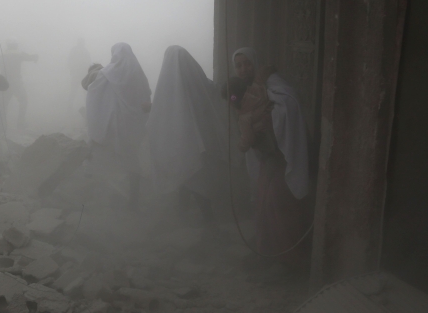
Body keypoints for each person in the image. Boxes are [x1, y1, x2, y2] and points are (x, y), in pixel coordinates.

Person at [230, 47, 309, 264]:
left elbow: (289, 105)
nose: (244, 69)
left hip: (283, 155)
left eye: (247, 63)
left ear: (255, 62)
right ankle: (266, 253)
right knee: (262, 202)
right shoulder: (243, 90)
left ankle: (288, 260)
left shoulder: (273, 83)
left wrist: (270, 118)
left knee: (278, 202)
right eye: (239, 65)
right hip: (267, 157)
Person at [146, 45, 227, 221]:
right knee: (196, 176)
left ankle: (192, 215)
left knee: (187, 174)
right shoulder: (197, 81)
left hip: (182, 142)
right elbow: (216, 94)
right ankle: (204, 218)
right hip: (200, 143)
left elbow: (158, 115)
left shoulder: (166, 86)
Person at [83, 43, 152, 208]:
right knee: (131, 159)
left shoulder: (107, 73)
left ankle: (107, 195)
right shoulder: (139, 74)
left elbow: (86, 85)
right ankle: (134, 197)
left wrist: (96, 70)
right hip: (132, 125)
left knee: (106, 155)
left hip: (111, 124)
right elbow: (146, 98)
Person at [0, 41, 38, 129]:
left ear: (8, 46)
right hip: (16, 83)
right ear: (16, 46)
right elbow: (31, 57)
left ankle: (2, 126)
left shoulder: (1, 56)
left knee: (3, 104)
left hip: (4, 83)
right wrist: (35, 57)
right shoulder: (19, 54)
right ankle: (20, 123)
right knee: (24, 101)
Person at [68, 38, 92, 110]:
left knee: (77, 92)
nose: (82, 43)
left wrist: (71, 70)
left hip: (80, 74)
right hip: (80, 74)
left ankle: (70, 109)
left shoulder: (78, 50)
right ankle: (70, 108)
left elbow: (69, 60)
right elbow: (69, 60)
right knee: (77, 92)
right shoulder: (84, 51)